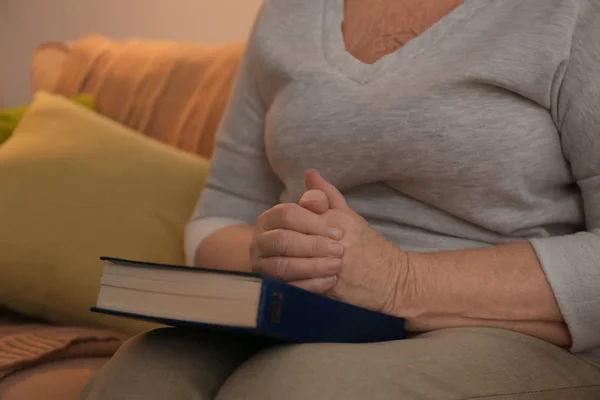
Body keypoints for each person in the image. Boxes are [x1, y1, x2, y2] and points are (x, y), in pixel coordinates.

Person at [80, 0, 600, 399]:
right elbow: (219, 214)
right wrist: (274, 252)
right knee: (141, 375)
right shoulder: (290, 12)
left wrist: (399, 279)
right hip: (311, 314)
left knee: (298, 389)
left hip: (523, 332)